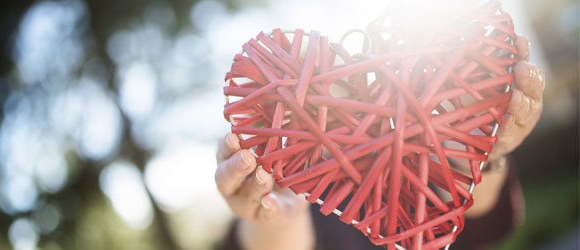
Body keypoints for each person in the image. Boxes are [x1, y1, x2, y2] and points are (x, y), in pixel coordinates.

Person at [215, 35, 544, 250]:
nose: (317, 98)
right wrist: (278, 220)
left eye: (322, 72)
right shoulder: (289, 183)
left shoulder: (411, 135)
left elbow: (484, 225)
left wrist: (480, 151)